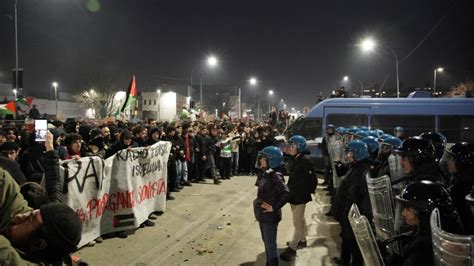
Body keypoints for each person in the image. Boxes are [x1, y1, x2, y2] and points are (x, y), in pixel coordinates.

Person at [0, 167, 82, 264]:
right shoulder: (24, 220)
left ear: (38, 244)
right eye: (30, 213)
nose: (19, 216)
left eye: (29, 219)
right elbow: (6, 186)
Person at [392, 180, 463, 265]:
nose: (403, 213)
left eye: (408, 209)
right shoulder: (426, 236)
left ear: (424, 213)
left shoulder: (423, 250)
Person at [332, 140, 371, 266]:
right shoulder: (356, 167)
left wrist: (344, 217)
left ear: (357, 154)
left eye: (349, 153)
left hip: (352, 217)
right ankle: (344, 260)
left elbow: (353, 198)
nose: (347, 155)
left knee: (353, 245)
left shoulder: (359, 173)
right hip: (350, 217)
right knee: (347, 242)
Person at [280, 135, 317, 261]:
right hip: (295, 196)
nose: (289, 148)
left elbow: (313, 181)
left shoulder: (305, 161)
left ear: (299, 147)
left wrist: (305, 193)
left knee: (297, 222)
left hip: (300, 197)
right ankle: (302, 239)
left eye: (292, 145)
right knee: (299, 220)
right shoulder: (297, 159)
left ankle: (293, 247)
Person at [253, 146, 290, 266]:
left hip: (269, 217)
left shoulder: (275, 175)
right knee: (267, 243)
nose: (260, 160)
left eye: (263, 158)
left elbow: (286, 193)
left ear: (271, 160)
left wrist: (274, 207)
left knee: (270, 244)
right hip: (263, 215)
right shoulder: (267, 173)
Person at [440, 142, 474, 234]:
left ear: (463, 162)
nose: (449, 162)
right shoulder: (457, 183)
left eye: (453, 159)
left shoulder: (466, 190)